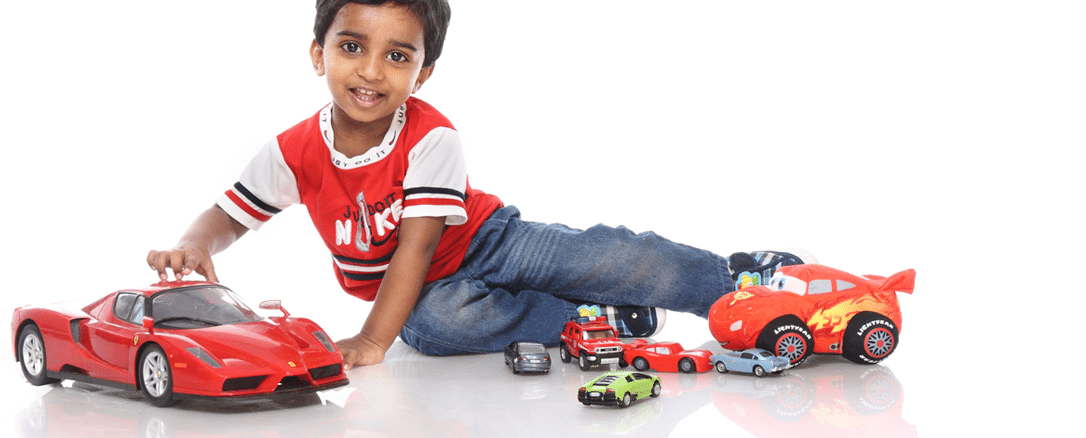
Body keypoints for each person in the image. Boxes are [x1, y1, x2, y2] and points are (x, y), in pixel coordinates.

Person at [145, 0, 813, 368]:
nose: (371, 71)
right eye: (352, 47)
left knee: (604, 257)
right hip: (425, 290)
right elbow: (230, 213)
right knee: (437, 331)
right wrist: (195, 243)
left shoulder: (431, 136)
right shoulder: (293, 151)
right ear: (318, 53)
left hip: (489, 240)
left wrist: (373, 340)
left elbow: (415, 246)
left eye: (397, 56)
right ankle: (599, 322)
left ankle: (737, 280)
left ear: (423, 73)